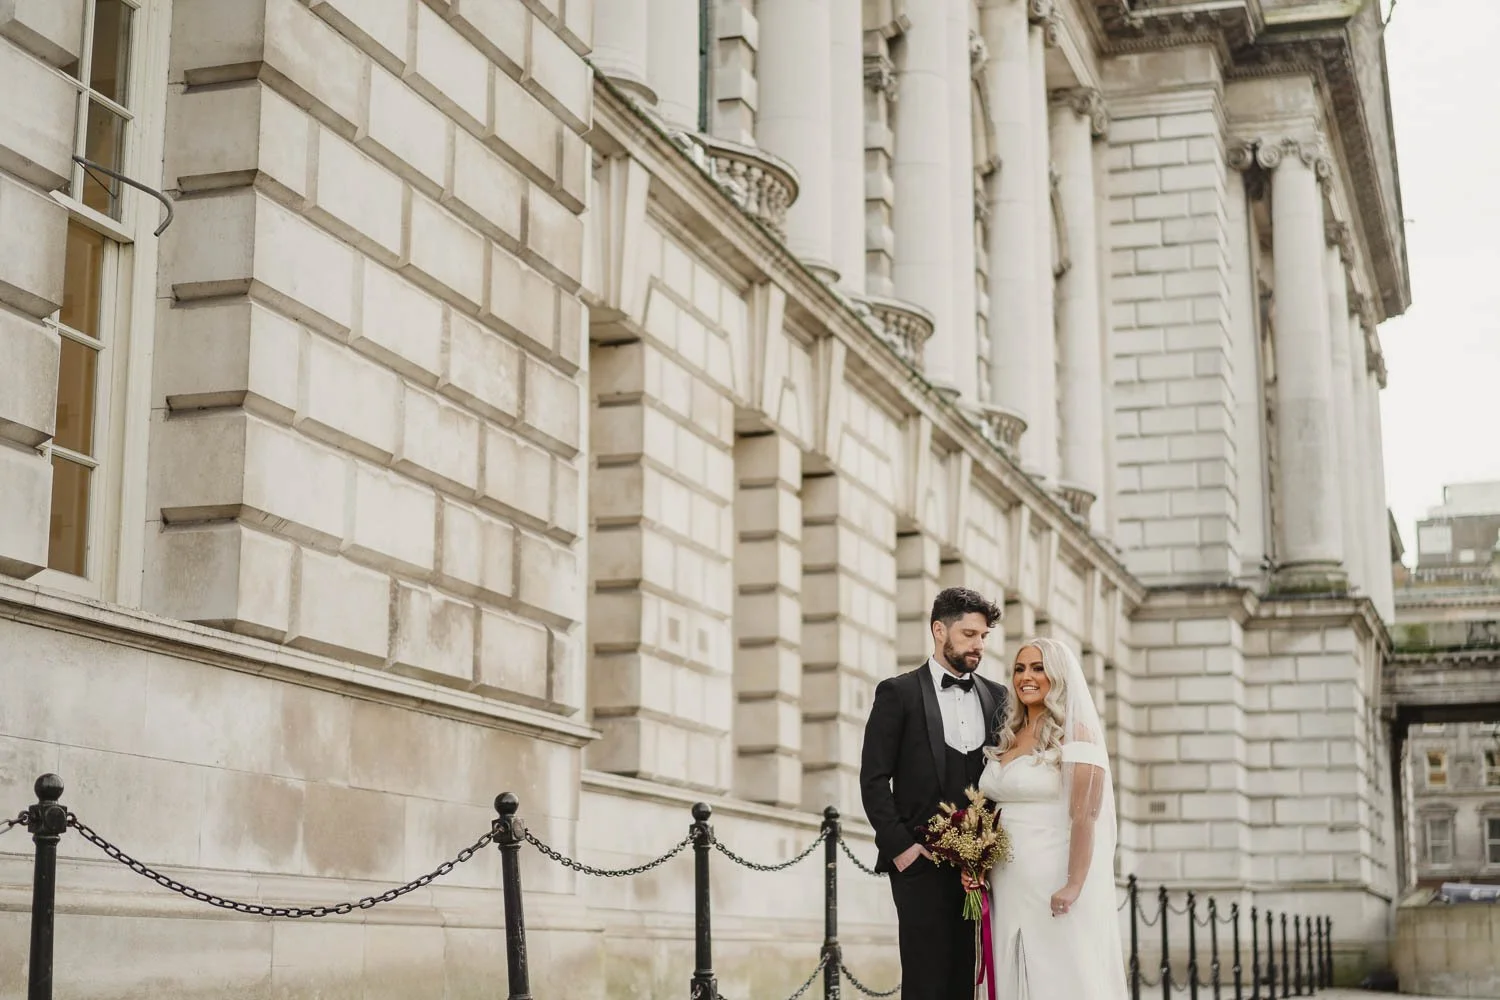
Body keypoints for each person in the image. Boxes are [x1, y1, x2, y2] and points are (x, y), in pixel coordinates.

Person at [859, 587, 1008, 1000]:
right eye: (969, 635)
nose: (978, 645)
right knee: (925, 982)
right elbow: (873, 779)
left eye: (983, 636)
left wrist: (987, 856)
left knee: (965, 978)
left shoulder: (998, 697)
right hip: (919, 865)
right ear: (939, 630)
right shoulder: (898, 693)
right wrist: (902, 849)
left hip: (978, 872)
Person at [975, 637, 1126, 1000]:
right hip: (1006, 882)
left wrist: (1073, 884)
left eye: (1038, 668)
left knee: (1056, 972)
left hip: (1051, 876)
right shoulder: (1008, 737)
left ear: (1057, 676)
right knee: (1012, 966)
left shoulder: (1077, 735)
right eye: (1020, 668)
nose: (1027, 676)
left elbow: (1086, 816)